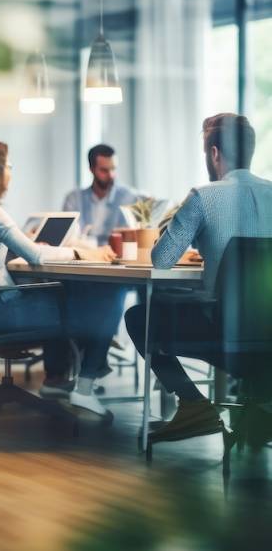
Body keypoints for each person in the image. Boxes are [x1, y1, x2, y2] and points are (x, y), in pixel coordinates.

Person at [125, 113, 272, 442]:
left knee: (139, 316)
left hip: (224, 332)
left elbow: (161, 260)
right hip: (269, 334)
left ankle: (193, 405)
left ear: (215, 153)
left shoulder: (204, 197)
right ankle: (263, 406)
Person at [0, 138, 126, 418]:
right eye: (8, 166)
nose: (11, 171)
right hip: (4, 312)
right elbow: (37, 258)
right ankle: (85, 385)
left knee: (75, 296)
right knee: (111, 294)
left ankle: (59, 378)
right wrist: (83, 252)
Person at [63, 144, 139, 246]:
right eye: (104, 170)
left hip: (117, 258)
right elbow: (69, 238)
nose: (111, 175)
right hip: (83, 257)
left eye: (113, 169)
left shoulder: (129, 198)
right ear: (91, 169)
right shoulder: (74, 199)